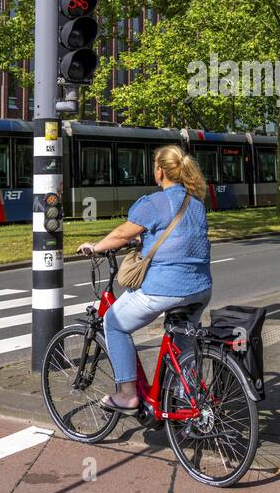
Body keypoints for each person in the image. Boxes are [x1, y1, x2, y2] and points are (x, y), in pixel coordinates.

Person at [76, 145, 212, 415]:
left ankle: (127, 395)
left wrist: (96, 246)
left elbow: (120, 234)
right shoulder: (195, 203)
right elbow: (180, 237)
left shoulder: (154, 203)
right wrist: (145, 239)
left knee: (114, 322)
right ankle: (189, 405)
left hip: (165, 289)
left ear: (160, 171)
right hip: (200, 289)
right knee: (183, 345)